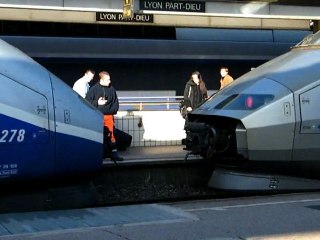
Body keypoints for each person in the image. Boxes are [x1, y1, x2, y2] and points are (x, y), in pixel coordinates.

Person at [85, 71, 123, 161]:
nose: (109, 81)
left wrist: (111, 111)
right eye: (107, 80)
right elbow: (87, 101)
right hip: (98, 116)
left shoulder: (112, 89)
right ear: (101, 80)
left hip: (109, 116)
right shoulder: (94, 89)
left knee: (111, 135)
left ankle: (113, 154)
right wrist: (97, 103)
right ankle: (99, 154)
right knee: (98, 135)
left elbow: (116, 104)